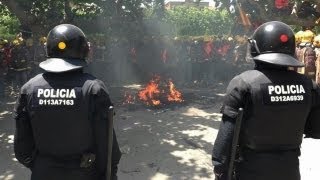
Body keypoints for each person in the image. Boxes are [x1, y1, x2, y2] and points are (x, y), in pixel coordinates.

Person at [212, 21, 320, 180]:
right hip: (289, 171)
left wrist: (219, 169)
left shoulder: (243, 83)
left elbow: (226, 136)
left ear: (255, 48)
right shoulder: (309, 86)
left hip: (250, 170)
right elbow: (316, 130)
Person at [13, 24, 121, 180]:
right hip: (84, 173)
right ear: (84, 50)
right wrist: (109, 174)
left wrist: (42, 165)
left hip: (44, 172)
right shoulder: (94, 89)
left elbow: (22, 148)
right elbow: (107, 147)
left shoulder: (28, 89)